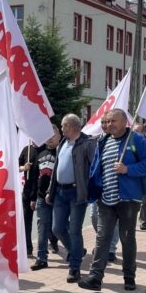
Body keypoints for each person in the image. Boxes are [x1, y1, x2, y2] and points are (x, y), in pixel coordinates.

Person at [78, 109, 146, 291]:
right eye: (108, 121)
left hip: (128, 199)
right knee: (102, 238)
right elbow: (98, 166)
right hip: (106, 199)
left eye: (114, 121)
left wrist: (128, 169)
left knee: (127, 238)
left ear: (124, 122)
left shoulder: (136, 140)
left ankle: (129, 277)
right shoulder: (103, 141)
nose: (110, 124)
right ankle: (95, 277)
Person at [47, 114, 97, 283]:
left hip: (77, 194)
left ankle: (74, 268)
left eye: (63, 126)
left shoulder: (87, 144)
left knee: (75, 230)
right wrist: (50, 191)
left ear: (70, 126)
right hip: (60, 192)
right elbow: (56, 170)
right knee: (57, 228)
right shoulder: (62, 143)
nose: (61, 129)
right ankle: (77, 251)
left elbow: (95, 169)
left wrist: (91, 190)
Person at [29, 126, 61, 271]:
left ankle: (74, 249)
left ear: (59, 136)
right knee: (42, 227)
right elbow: (35, 178)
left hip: (59, 197)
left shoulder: (63, 152)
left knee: (60, 227)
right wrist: (33, 198)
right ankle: (42, 258)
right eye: (47, 135)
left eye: (52, 135)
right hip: (41, 198)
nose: (49, 138)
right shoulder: (40, 154)